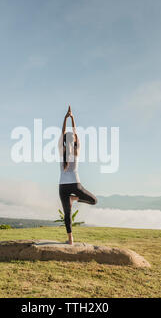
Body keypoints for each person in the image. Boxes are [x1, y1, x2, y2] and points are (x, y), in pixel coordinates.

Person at [58, 105, 97, 245]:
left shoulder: (61, 150)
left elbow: (63, 132)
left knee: (67, 214)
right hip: (76, 184)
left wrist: (65, 118)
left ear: (64, 141)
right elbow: (74, 132)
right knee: (94, 201)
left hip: (63, 186)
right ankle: (75, 198)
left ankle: (70, 239)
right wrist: (72, 118)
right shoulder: (76, 150)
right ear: (74, 141)